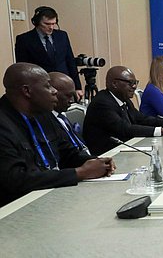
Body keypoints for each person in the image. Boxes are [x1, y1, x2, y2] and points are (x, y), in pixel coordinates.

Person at [0, 63, 113, 208]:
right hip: (16, 208)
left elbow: (67, 154)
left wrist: (97, 162)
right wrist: (79, 173)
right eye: (48, 86)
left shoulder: (44, 114)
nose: (54, 91)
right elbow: (16, 180)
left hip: (50, 195)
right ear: (27, 91)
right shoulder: (4, 124)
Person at [83, 65, 163, 156]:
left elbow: (142, 119)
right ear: (114, 83)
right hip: (107, 155)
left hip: (125, 149)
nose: (134, 86)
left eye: (135, 83)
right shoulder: (102, 103)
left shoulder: (124, 99)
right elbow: (125, 129)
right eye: (130, 83)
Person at [14, 6, 83, 100]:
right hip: (41, 88)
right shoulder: (24, 40)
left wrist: (77, 87)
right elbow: (23, 69)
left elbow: (70, 61)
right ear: (37, 22)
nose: (51, 27)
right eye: (47, 24)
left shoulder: (62, 36)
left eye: (53, 24)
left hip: (64, 85)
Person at [48, 72, 91, 159]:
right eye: (68, 96)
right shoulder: (45, 121)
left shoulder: (62, 117)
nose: (71, 101)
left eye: (73, 96)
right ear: (53, 93)